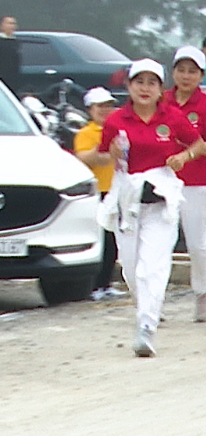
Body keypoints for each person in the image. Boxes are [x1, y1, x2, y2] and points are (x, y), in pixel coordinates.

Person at [99, 60, 206, 358]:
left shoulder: (172, 117)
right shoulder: (116, 120)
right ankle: (145, 308)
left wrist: (183, 157)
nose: (144, 88)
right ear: (129, 86)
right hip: (127, 201)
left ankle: (146, 326)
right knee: (132, 268)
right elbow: (101, 156)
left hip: (161, 199)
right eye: (139, 82)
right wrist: (111, 153)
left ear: (161, 89)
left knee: (153, 266)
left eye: (151, 83)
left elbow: (198, 143)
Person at [162, 46, 206, 322]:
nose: (186, 76)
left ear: (201, 76)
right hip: (162, 181)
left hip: (195, 183)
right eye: (181, 70)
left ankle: (202, 293)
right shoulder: (161, 101)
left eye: (192, 72)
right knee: (160, 242)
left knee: (197, 242)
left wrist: (190, 151)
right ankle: (155, 299)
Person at [72, 87, 124, 300]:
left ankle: (106, 283)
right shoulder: (86, 133)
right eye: (100, 106)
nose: (105, 110)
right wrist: (105, 146)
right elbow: (86, 158)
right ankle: (94, 286)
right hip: (97, 193)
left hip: (117, 190)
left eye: (108, 106)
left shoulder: (120, 131)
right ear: (90, 109)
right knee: (101, 240)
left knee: (113, 242)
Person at [0, 15, 19, 89]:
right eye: (9, 23)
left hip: (13, 79)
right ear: (1, 25)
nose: (12, 26)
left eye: (13, 24)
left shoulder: (15, 41)